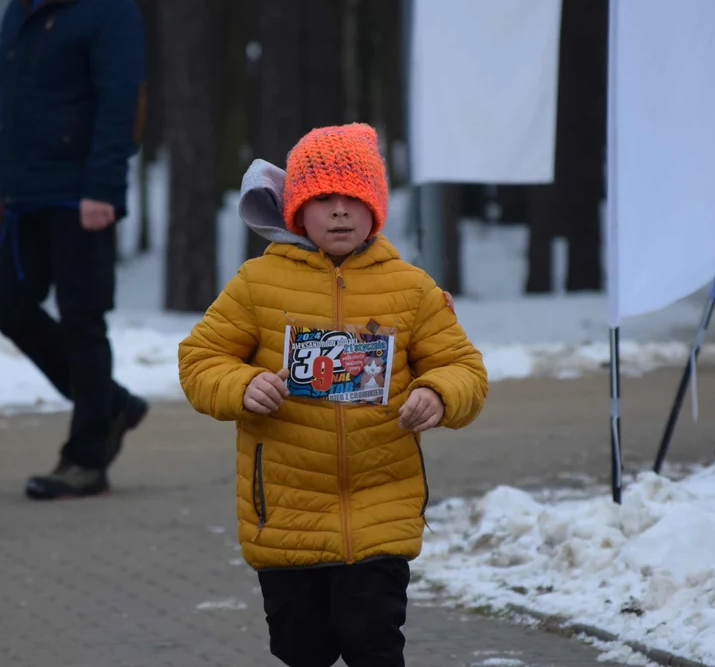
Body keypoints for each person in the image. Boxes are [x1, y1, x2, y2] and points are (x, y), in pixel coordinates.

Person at [178, 124, 489, 666]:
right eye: (323, 198)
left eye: (354, 198)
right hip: (286, 514)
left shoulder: (411, 288)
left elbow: (463, 368)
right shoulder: (256, 285)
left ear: (376, 208)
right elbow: (200, 359)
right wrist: (242, 384)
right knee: (302, 649)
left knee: (374, 643)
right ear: (297, 208)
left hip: (380, 510)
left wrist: (438, 394)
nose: (340, 211)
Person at [0, 0, 148, 500]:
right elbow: (1, 100)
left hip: (80, 198)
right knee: (6, 304)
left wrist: (102, 189)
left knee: (82, 319)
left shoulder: (108, 8)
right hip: (24, 196)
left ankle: (86, 458)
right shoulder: (22, 3)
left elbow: (120, 106)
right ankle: (110, 404)